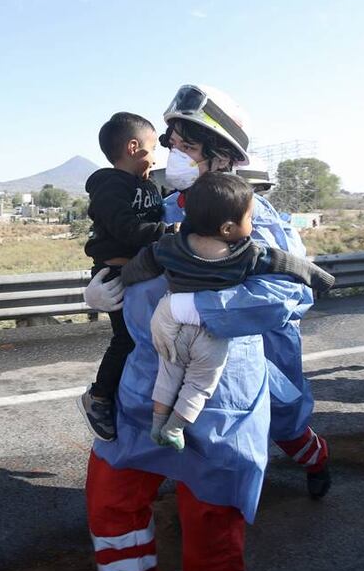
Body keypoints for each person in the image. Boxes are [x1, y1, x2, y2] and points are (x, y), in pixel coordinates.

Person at [82, 84, 330, 571]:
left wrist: (197, 306)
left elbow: (289, 292)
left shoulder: (252, 219)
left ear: (220, 156)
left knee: (212, 527)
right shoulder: (162, 211)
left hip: (219, 399)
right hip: (143, 386)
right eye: (170, 141)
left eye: (184, 145)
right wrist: (102, 283)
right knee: (110, 501)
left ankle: (313, 456)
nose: (172, 153)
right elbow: (130, 251)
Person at [119, 172, 335, 451]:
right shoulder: (246, 254)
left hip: (173, 332)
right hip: (211, 336)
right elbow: (289, 264)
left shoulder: (170, 246)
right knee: (200, 382)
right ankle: (176, 427)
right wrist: (322, 279)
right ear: (228, 228)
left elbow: (141, 266)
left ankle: (159, 422)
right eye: (248, 218)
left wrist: (119, 280)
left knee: (168, 373)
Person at [78, 112, 166, 441]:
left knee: (147, 340)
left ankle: (130, 397)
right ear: (133, 147)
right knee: (127, 340)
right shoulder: (110, 186)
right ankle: (99, 397)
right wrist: (170, 232)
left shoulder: (148, 186)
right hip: (115, 275)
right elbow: (127, 230)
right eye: (153, 148)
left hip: (142, 273)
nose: (156, 157)